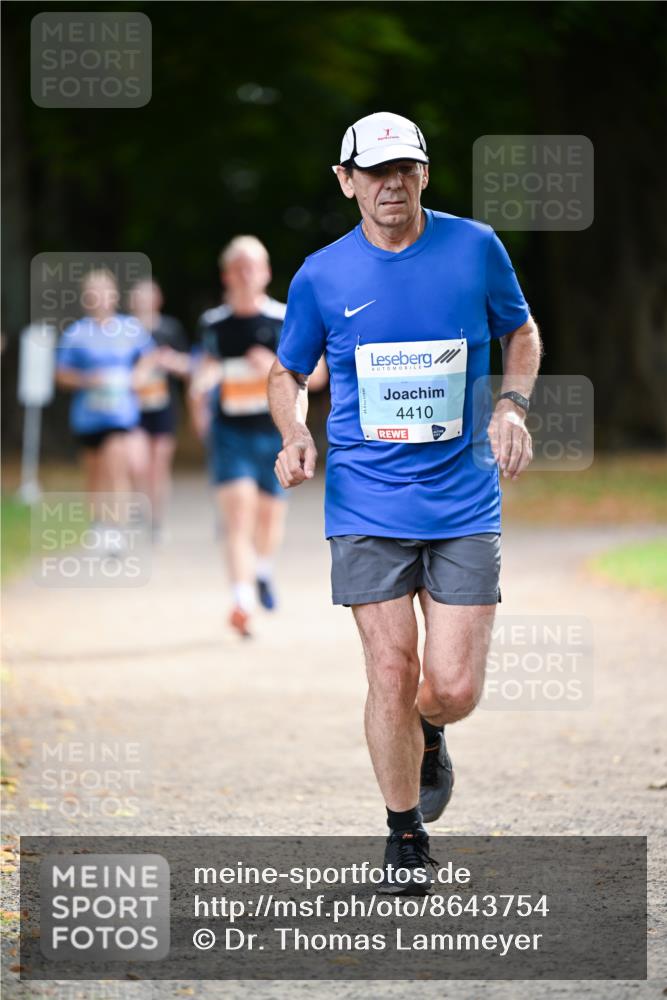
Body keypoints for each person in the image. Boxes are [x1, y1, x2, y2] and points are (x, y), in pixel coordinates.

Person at [268, 112, 542, 893]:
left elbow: (519, 333)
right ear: (346, 180)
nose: (391, 184)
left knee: (450, 687)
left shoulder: (474, 247)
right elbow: (287, 373)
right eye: (375, 171)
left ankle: (430, 730)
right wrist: (293, 432)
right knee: (389, 668)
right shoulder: (321, 274)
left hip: (462, 497)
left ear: (424, 173)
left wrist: (511, 406)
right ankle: (403, 832)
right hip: (364, 500)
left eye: (406, 169)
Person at [191, 236, 327, 638]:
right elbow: (205, 370)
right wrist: (201, 394)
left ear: (266, 273)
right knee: (237, 516)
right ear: (227, 275)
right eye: (239, 267)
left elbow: (316, 377)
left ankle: (262, 570)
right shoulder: (213, 323)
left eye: (254, 266)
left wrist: (270, 365)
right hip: (229, 431)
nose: (247, 274)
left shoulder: (285, 319)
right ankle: (241, 600)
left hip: (275, 433)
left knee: (269, 518)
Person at [56, 268, 157, 548]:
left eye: (103, 292)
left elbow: (150, 357)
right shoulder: (76, 333)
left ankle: (116, 529)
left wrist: (137, 377)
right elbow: (61, 374)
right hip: (88, 416)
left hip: (120, 413)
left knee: (117, 468)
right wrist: (87, 379)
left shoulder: (130, 329)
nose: (98, 298)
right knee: (95, 472)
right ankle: (98, 524)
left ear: (113, 296)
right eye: (92, 293)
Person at [128, 279, 190, 540]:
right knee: (137, 463)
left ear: (158, 299)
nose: (143, 301)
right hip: (133, 406)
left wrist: (170, 362)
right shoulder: (123, 330)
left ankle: (157, 520)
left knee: (159, 464)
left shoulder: (169, 328)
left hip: (164, 405)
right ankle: (138, 508)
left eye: (148, 295)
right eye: (138, 296)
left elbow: (190, 365)